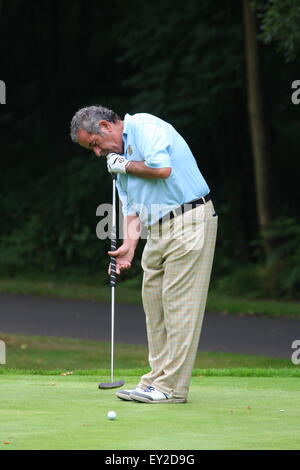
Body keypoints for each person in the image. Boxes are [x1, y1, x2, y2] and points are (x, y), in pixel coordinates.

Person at [70, 105, 218, 403]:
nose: (97, 153)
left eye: (95, 145)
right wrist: (129, 246)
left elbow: (162, 170)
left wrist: (124, 164)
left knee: (179, 305)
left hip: (189, 217)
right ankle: (155, 380)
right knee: (154, 303)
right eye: (91, 149)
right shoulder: (117, 160)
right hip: (156, 229)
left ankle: (170, 388)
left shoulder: (145, 127)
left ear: (106, 126)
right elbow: (132, 206)